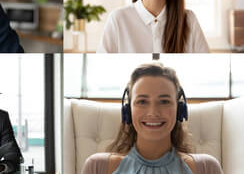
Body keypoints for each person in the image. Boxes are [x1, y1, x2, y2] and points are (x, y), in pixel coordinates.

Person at [82, 63, 223, 174]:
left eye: (164, 101)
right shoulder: (97, 167)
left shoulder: (206, 168)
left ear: (179, 110)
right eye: (142, 101)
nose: (153, 112)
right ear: (128, 110)